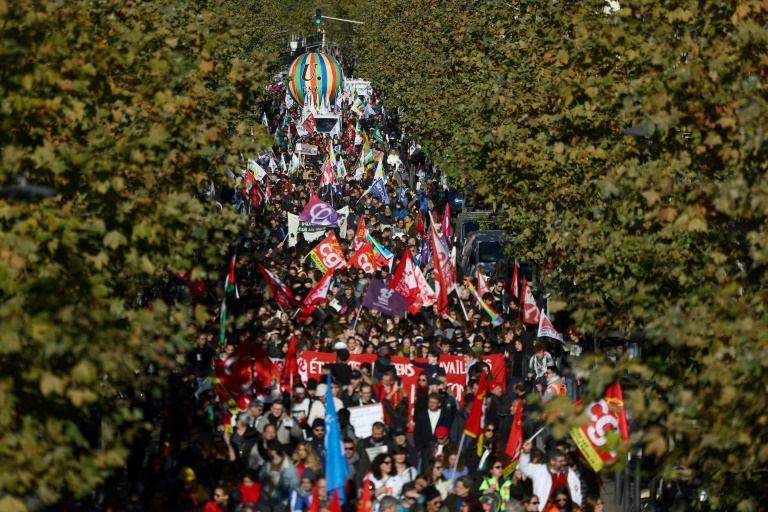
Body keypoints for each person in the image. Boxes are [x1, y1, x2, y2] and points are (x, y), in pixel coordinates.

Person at [518, 440, 582, 512]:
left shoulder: (570, 473)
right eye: (560, 461)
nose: (564, 463)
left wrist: (576, 505)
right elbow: (524, 467)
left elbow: (577, 493)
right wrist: (526, 452)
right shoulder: (540, 470)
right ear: (552, 461)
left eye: (564, 460)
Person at [258, 440, 300, 510]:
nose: (266, 451)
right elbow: (260, 481)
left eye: (268, 449)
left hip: (280, 506)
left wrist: (285, 502)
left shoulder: (289, 468)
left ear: (274, 452)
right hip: (265, 503)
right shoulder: (266, 465)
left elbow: (294, 488)